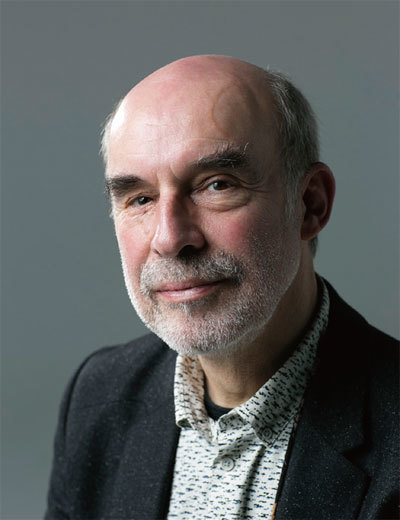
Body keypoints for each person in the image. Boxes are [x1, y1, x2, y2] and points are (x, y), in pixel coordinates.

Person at [45, 55, 399, 520]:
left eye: (216, 185)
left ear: (310, 204)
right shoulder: (98, 399)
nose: (170, 238)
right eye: (140, 198)